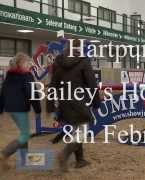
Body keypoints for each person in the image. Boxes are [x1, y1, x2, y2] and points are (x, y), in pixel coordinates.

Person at [46, 39, 100, 173]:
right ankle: (64, 154)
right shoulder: (83, 61)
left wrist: (50, 106)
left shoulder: (58, 62)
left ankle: (80, 160)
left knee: (77, 130)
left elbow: (52, 85)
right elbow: (92, 84)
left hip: (64, 102)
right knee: (82, 131)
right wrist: (96, 102)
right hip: (78, 101)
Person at [0, 53, 41, 170]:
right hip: (20, 108)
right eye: (28, 62)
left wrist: (1, 107)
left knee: (24, 132)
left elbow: (3, 91)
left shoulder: (10, 75)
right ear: (21, 63)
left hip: (10, 108)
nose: (29, 65)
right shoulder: (27, 75)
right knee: (25, 135)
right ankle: (5, 153)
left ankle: (24, 159)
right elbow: (32, 93)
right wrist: (38, 109)